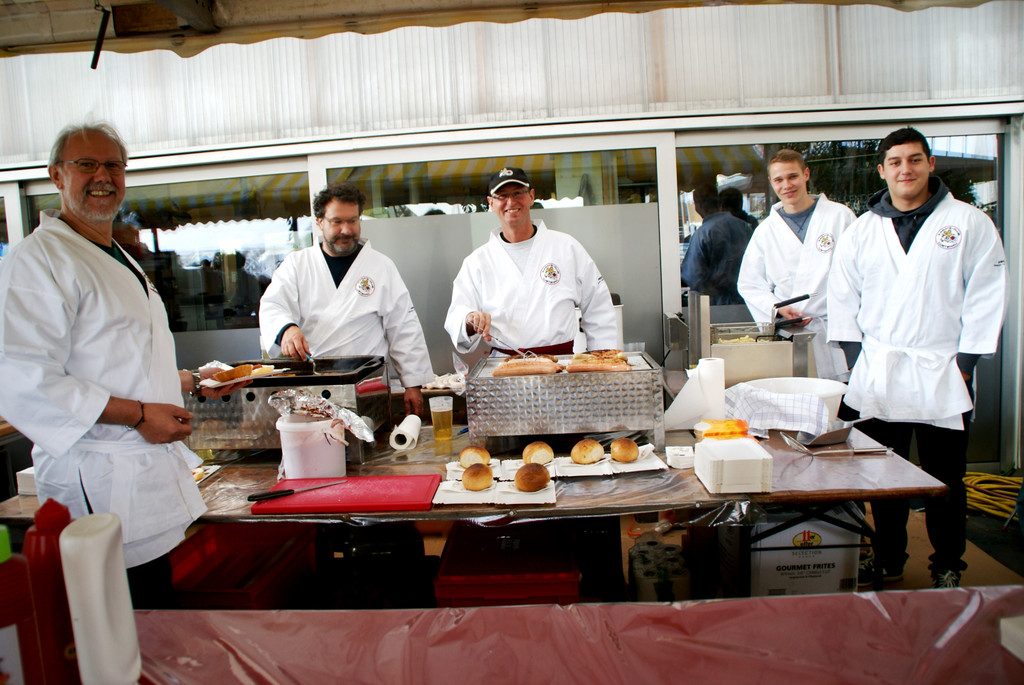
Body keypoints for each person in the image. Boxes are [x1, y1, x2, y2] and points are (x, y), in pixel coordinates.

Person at [0, 122, 248, 609]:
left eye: (113, 165)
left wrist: (192, 381)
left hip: (138, 474)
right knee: (117, 623)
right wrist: (137, 414)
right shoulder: (39, 260)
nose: (102, 176)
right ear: (56, 175)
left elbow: (118, 360)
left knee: (153, 613)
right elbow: (24, 380)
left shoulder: (112, 253)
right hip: (97, 478)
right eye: (86, 164)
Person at [827, 127, 1008, 589]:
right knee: (880, 477)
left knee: (946, 480)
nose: (904, 169)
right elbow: (843, 298)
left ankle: (947, 563)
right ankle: (887, 557)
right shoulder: (863, 230)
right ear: (882, 169)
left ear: (930, 164)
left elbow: (986, 296)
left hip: (941, 372)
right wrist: (855, 358)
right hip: (879, 372)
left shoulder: (968, 223)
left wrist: (964, 365)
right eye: (895, 162)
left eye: (914, 160)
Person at [259, 182, 433, 417]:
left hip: (369, 386)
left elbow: (403, 328)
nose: (346, 230)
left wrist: (412, 384)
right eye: (337, 222)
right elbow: (272, 305)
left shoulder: (381, 266)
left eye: (352, 220)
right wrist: (286, 329)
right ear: (320, 222)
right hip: (314, 385)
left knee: (372, 444)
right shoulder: (297, 265)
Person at [444, 167, 618, 356]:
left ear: (531, 196)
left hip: (561, 363)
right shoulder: (477, 261)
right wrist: (471, 319)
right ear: (491, 203)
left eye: (518, 193)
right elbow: (457, 315)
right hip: (504, 368)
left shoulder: (567, 247)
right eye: (502, 196)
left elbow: (598, 304)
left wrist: (602, 357)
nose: (511, 201)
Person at [737, 149, 856, 380]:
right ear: (772, 183)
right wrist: (777, 307)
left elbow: (860, 273)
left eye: (793, 176)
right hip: (791, 334)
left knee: (841, 401)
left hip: (837, 331)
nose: (787, 185)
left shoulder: (840, 217)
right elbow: (750, 283)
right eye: (779, 180)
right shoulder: (766, 231)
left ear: (806, 174)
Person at [680, 183, 753, 305]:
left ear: (699, 205)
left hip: (715, 306)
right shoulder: (745, 227)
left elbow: (692, 276)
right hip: (745, 303)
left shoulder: (703, 234)